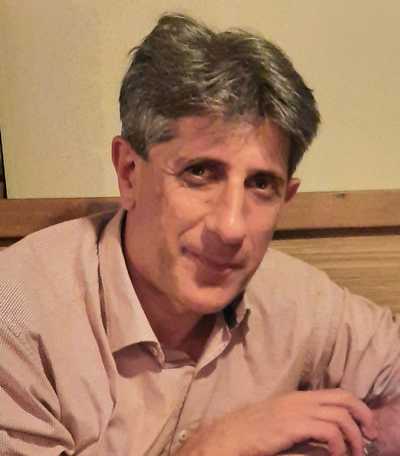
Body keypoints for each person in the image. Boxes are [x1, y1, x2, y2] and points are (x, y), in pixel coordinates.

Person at [0, 12, 399, 456]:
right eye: (200, 173)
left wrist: (372, 433)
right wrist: (211, 448)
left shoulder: (298, 299)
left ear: (286, 197)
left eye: (261, 184)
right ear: (129, 173)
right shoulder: (16, 314)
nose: (231, 227)